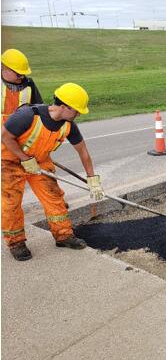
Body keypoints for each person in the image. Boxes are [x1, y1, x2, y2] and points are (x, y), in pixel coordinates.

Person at [1, 82, 104, 261]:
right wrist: (24, 159)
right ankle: (16, 242)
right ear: (64, 106)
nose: (79, 114)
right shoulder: (27, 115)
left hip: (40, 163)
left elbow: (83, 152)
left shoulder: (68, 125)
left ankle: (63, 235)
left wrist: (92, 180)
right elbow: (5, 137)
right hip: (11, 162)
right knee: (11, 204)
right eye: (77, 110)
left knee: (55, 199)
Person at [1, 49, 43, 121]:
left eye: (23, 74)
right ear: (5, 69)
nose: (22, 76)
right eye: (19, 74)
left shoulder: (29, 85)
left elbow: (39, 111)